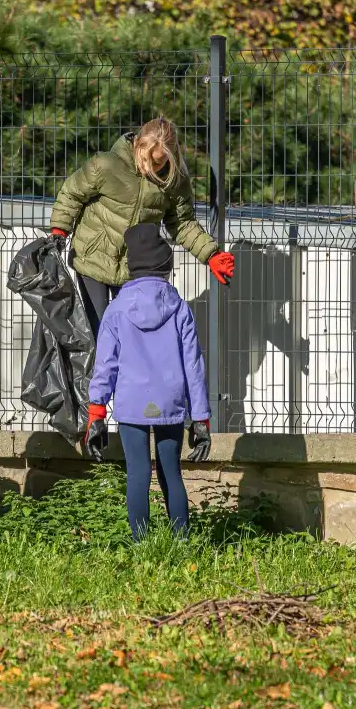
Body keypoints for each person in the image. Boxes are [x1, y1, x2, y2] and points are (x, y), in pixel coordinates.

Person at [85, 223, 212, 540]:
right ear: (166, 266)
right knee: (172, 471)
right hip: (170, 402)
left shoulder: (116, 311)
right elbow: (193, 365)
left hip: (131, 402)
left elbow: (105, 364)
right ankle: (181, 542)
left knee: (138, 474)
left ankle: (142, 547)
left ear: (131, 266)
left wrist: (96, 414)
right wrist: (201, 419)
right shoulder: (180, 308)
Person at [49, 117, 236, 330]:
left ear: (170, 156)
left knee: (132, 333)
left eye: (159, 162)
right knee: (97, 331)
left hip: (135, 268)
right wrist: (59, 230)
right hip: (92, 258)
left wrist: (211, 255)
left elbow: (182, 223)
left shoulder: (174, 181)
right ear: (137, 144)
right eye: (146, 158)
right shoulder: (105, 164)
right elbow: (71, 194)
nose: (150, 167)